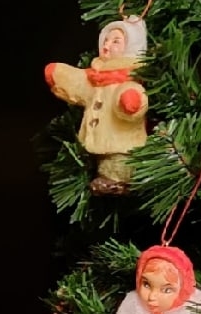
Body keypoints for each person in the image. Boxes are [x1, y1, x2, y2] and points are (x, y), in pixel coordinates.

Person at [44, 16, 150, 195]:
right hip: (94, 140)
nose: (107, 45)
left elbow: (135, 95)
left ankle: (118, 182)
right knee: (98, 158)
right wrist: (59, 75)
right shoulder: (95, 77)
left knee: (118, 161)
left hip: (121, 141)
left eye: (115, 41)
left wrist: (130, 102)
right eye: (105, 40)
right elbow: (80, 83)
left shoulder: (128, 80)